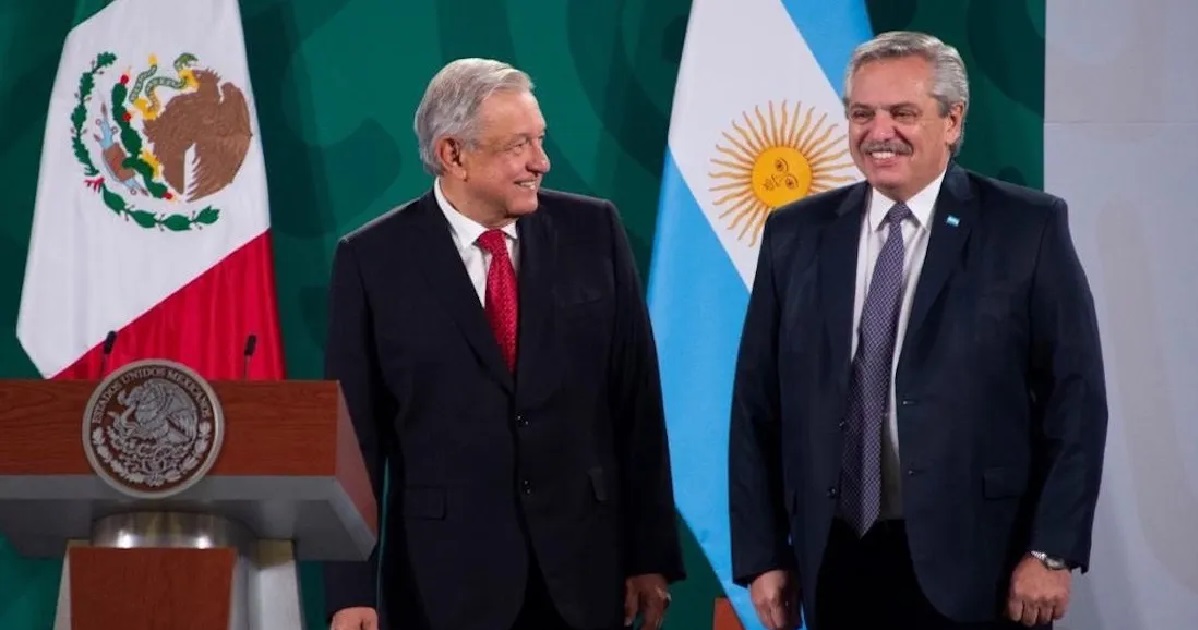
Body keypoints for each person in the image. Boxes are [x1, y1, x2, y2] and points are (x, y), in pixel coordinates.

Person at [727, 31, 1108, 630]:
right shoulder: (795, 234)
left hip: (981, 564)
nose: (880, 132)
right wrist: (763, 554)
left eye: (903, 113)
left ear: (953, 121)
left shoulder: (1025, 228)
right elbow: (756, 404)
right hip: (834, 561)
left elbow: (1076, 402)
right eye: (862, 114)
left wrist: (1050, 550)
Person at [322, 58, 684, 630]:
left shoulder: (595, 233)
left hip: (586, 576)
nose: (541, 161)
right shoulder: (372, 261)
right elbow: (352, 441)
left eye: (538, 140)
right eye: (519, 146)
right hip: (442, 583)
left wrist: (649, 556)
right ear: (453, 155)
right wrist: (349, 591)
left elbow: (635, 405)